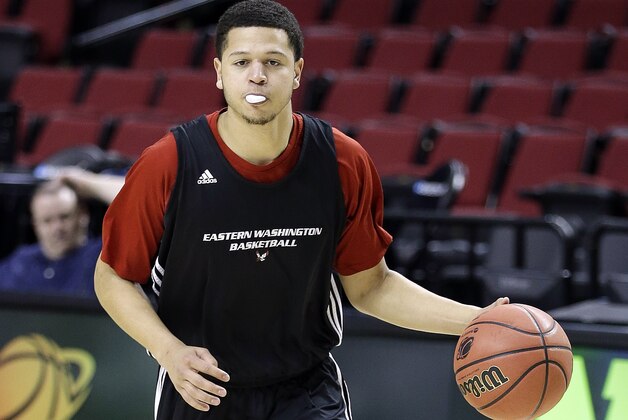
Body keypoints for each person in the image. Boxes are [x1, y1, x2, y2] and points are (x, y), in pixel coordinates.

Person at [94, 1, 509, 419]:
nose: (257, 74)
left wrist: (476, 320)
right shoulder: (169, 162)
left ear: (296, 72)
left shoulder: (342, 161)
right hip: (202, 388)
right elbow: (113, 275)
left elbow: (371, 288)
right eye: (242, 62)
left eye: (273, 62)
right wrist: (169, 351)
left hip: (305, 391)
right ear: (220, 73)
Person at [0, 179, 101, 298]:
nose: (57, 228)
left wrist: (85, 180)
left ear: (83, 215)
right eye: (47, 220)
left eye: (64, 217)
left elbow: (129, 200)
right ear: (35, 225)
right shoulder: (19, 263)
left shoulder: (101, 257)